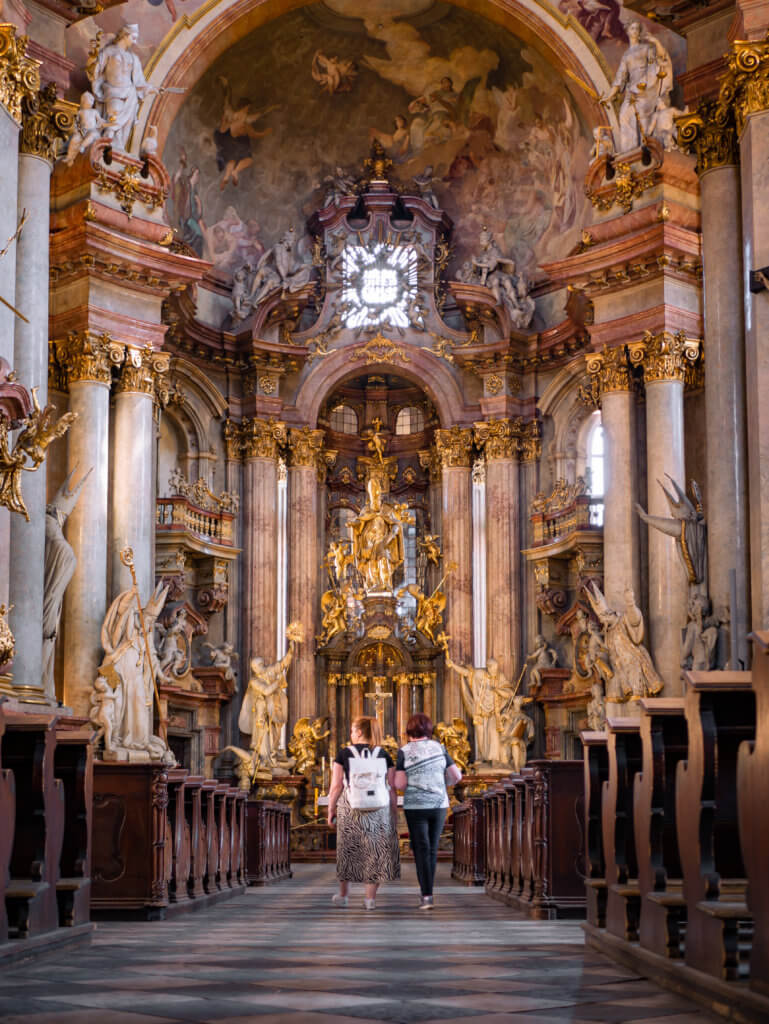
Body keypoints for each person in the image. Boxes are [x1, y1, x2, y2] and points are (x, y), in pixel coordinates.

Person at [327, 716, 399, 910]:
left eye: (352, 730)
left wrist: (330, 809)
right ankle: (370, 900)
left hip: (351, 806)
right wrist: (394, 810)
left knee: (348, 851)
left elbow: (335, 786)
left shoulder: (344, 753)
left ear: (359, 732)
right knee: (374, 853)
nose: (351, 734)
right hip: (378, 807)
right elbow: (392, 787)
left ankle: (343, 895)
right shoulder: (383, 754)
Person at [394, 713, 462, 910]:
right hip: (439, 804)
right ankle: (428, 894)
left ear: (409, 731)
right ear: (429, 730)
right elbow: (456, 776)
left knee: (421, 850)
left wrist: (414, 783)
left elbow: (399, 783)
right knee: (432, 849)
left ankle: (426, 896)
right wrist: (441, 783)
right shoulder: (440, 748)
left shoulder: (404, 751)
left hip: (416, 806)